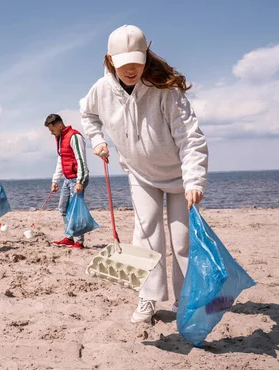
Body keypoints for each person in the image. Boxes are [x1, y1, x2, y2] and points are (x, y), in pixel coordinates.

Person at [79, 25, 209, 323]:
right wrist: (98, 140)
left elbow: (190, 137)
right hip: (140, 174)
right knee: (146, 232)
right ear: (110, 60)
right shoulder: (101, 90)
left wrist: (194, 180)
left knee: (182, 240)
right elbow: (88, 114)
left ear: (146, 55)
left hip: (179, 179)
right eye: (124, 63)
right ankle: (147, 299)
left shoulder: (165, 90)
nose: (131, 69)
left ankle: (185, 300)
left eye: (137, 61)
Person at [45, 114, 90, 249]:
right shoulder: (59, 139)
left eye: (52, 130)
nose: (52, 133)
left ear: (59, 125)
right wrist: (55, 180)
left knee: (75, 211)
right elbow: (61, 160)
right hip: (67, 179)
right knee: (63, 208)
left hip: (77, 179)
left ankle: (79, 242)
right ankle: (70, 238)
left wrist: (80, 182)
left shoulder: (74, 137)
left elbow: (81, 160)